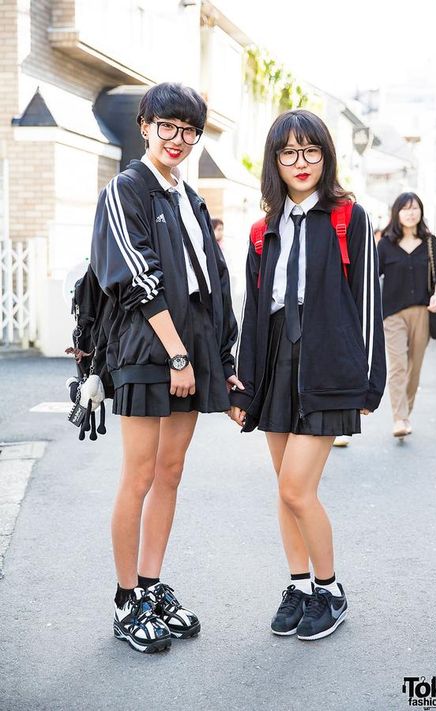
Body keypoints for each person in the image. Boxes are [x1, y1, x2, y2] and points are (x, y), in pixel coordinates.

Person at [90, 82, 241, 653]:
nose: (177, 139)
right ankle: (127, 598)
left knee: (171, 472)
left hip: (194, 351)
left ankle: (151, 585)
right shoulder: (125, 189)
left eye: (188, 131)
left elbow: (214, 283)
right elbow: (134, 275)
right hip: (148, 349)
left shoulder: (189, 198)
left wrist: (220, 359)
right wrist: (176, 352)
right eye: (167, 127)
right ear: (146, 125)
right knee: (140, 474)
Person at [230, 109, 386, 641]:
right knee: (284, 487)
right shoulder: (262, 229)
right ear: (275, 161)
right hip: (276, 360)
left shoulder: (348, 217)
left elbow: (366, 299)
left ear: (326, 155)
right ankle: (299, 586)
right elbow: (255, 312)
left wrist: (371, 379)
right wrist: (244, 384)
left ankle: (331, 589)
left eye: (311, 151)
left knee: (298, 488)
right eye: (289, 153)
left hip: (327, 362)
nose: (301, 162)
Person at [377, 192, 436, 438]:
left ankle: (406, 413)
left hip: (422, 312)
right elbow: (373, 277)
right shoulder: (385, 244)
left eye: (414, 208)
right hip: (392, 315)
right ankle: (399, 418)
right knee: (397, 366)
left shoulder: (429, 241)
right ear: (397, 213)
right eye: (405, 208)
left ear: (420, 211)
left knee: (413, 368)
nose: (410, 212)